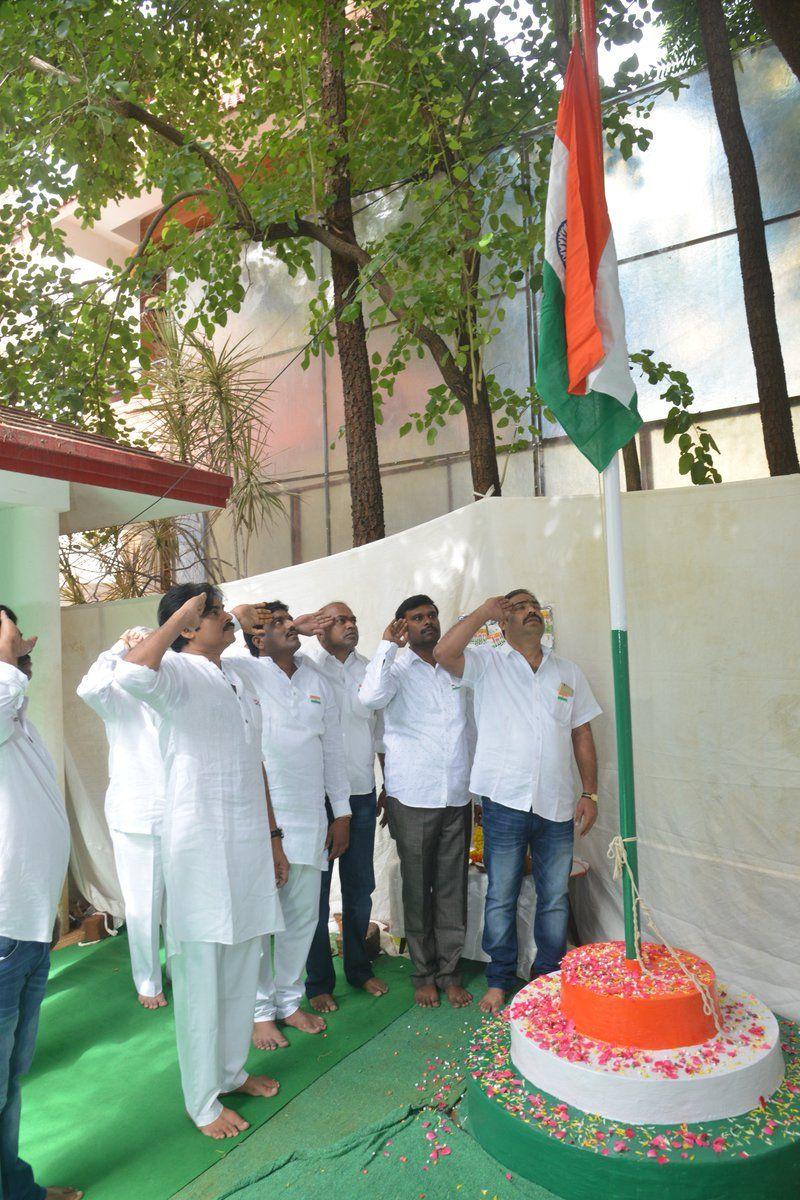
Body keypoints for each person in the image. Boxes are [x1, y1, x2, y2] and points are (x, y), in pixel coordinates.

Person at [115, 584, 289, 1140]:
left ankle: (230, 1070)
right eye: (215, 613)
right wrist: (179, 618)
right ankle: (202, 1102)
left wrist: (273, 837)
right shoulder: (175, 672)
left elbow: (253, 761)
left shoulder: (234, 675)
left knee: (242, 960)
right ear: (190, 624)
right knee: (200, 975)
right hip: (198, 848)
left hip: (246, 842)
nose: (229, 619)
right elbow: (130, 674)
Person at [434, 589, 602, 1014]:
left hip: (558, 805)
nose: (530, 611)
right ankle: (499, 978)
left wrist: (589, 792)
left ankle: (546, 977)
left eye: (534, 606)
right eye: (519, 607)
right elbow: (443, 651)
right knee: (501, 894)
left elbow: (582, 733)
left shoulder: (568, 672)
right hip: (504, 801)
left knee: (554, 898)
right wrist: (482, 613)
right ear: (503, 623)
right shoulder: (486, 664)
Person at [227, 602, 351, 1050]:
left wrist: (341, 812)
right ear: (258, 637)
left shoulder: (316, 678)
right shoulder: (244, 669)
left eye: (289, 620)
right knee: (264, 920)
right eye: (276, 625)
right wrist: (267, 621)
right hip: (264, 819)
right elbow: (234, 616)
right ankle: (260, 1012)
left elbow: (333, 750)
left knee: (303, 918)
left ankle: (289, 1000)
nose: (290, 629)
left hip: (311, 817)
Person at [0, 606, 82, 1200]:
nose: (20, 650)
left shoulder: (17, 723)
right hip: (4, 934)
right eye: (9, 642)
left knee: (10, 1078)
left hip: (25, 933)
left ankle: (15, 1188)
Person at [359, 595, 473, 1010]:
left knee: (451, 888)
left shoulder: (457, 665)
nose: (428, 623)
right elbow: (369, 699)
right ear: (403, 625)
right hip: (413, 795)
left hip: (457, 793)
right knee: (417, 889)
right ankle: (423, 973)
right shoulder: (395, 669)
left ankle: (450, 972)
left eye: (432, 616)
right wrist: (387, 645)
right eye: (417, 618)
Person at [300, 601, 387, 1013]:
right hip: (315, 799)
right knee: (315, 893)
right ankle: (318, 981)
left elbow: (382, 732)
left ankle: (358, 968)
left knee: (359, 887)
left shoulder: (370, 669)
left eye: (353, 618)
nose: (351, 625)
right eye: (340, 620)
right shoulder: (303, 669)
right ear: (319, 630)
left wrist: (388, 782)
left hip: (362, 794)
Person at [77, 628, 168, 1009]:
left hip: (184, 814)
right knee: (143, 906)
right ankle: (148, 981)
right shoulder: (116, 696)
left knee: (183, 906)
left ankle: (186, 970)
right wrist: (118, 646)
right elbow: (88, 688)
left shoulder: (173, 688)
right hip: (137, 816)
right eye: (142, 647)